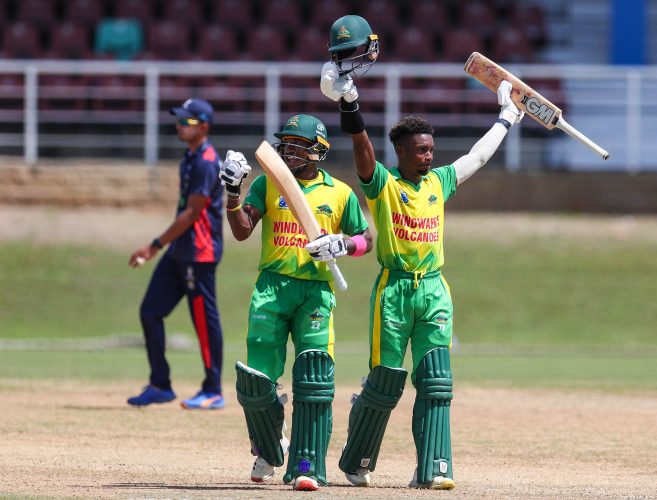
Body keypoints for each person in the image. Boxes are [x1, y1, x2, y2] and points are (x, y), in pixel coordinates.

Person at [320, 15, 524, 490]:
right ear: (402, 153)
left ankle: (434, 468)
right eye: (420, 151)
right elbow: (362, 154)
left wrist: (506, 118)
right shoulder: (384, 185)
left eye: (431, 149)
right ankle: (357, 460)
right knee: (386, 382)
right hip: (393, 291)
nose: (429, 156)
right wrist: (350, 104)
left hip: (434, 290)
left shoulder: (439, 182)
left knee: (435, 382)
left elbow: (475, 158)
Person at [219, 113, 373, 492]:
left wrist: (343, 245)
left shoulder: (339, 192)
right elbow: (241, 232)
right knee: (258, 381)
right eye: (284, 144)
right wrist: (233, 194)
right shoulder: (267, 185)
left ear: (318, 151)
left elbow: (366, 238)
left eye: (297, 146)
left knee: (314, 377)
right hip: (272, 288)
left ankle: (308, 463)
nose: (288, 151)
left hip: (316, 291)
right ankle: (268, 447)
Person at [127, 98, 225, 411]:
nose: (179, 125)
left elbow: (193, 213)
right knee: (150, 311)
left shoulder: (207, 161)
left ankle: (213, 389)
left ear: (204, 127)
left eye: (187, 121)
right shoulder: (190, 157)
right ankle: (160, 384)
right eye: (179, 120)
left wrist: (153, 246)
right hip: (180, 250)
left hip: (199, 253)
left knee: (204, 323)